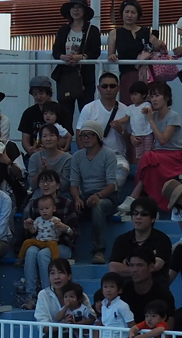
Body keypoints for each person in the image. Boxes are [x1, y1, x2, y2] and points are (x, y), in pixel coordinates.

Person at [19, 171, 79, 308]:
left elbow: (75, 233)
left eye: (49, 181)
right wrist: (28, 227)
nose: (45, 185)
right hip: (40, 242)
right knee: (31, 251)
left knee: (43, 254)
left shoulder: (67, 204)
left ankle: (49, 295)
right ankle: (31, 296)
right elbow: (30, 234)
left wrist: (65, 228)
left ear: (57, 185)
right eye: (42, 182)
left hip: (62, 246)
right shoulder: (35, 204)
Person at [69, 120, 119, 265]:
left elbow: (112, 185)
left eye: (90, 134)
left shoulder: (108, 154)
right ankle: (69, 249)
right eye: (83, 135)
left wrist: (98, 196)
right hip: (86, 195)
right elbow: (74, 183)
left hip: (107, 196)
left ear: (98, 136)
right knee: (69, 207)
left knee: (98, 207)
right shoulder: (77, 156)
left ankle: (99, 251)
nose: (86, 138)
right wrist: (77, 198)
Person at [127, 82, 182, 211]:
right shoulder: (154, 115)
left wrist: (151, 121)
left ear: (166, 98)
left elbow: (163, 140)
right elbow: (138, 128)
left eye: (157, 96)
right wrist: (132, 137)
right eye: (152, 97)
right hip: (158, 155)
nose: (154, 100)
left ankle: (134, 197)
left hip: (174, 155)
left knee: (148, 157)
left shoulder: (173, 116)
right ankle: (149, 204)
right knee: (150, 165)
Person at [77, 71, 131, 193]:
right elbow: (79, 133)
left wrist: (121, 131)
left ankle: (105, 196)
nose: (108, 89)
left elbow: (131, 139)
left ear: (118, 88)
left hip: (117, 155)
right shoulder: (89, 108)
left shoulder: (126, 110)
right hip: (92, 154)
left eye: (112, 86)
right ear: (98, 88)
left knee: (124, 169)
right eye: (104, 86)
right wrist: (84, 156)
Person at [52, 0, 102, 112]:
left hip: (85, 76)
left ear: (84, 11)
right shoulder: (63, 29)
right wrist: (63, 57)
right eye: (73, 7)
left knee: (86, 110)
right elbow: (56, 50)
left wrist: (81, 57)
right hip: (66, 75)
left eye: (79, 7)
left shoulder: (92, 30)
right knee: (65, 112)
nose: (75, 10)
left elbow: (96, 51)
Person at [107, 197, 172, 285]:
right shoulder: (122, 240)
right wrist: (143, 266)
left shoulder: (162, 239)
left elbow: (156, 266)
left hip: (156, 291)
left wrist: (127, 264)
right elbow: (113, 268)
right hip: (127, 290)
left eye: (143, 214)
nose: (138, 217)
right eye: (135, 213)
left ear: (153, 218)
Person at [107, 0, 160, 104]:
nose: (129, 15)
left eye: (133, 12)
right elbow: (110, 55)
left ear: (138, 15)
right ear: (122, 13)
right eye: (126, 12)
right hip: (127, 74)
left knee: (148, 107)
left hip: (147, 75)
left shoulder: (146, 31)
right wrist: (112, 57)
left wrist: (157, 43)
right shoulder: (114, 33)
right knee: (128, 106)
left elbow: (156, 50)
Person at [18, 75, 73, 157]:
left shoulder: (62, 111)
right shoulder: (28, 113)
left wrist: (47, 149)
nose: (38, 97)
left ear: (50, 91)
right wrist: (31, 150)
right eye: (34, 94)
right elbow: (25, 139)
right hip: (35, 154)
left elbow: (66, 137)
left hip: (58, 154)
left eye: (41, 93)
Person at [35, 258, 92, 325]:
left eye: (60, 272)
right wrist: (64, 325)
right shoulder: (43, 295)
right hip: (52, 335)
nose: (56, 277)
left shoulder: (80, 295)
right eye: (52, 273)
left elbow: (92, 319)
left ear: (69, 276)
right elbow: (43, 326)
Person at [26, 124, 72, 198]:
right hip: (40, 194)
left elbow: (64, 186)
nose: (48, 139)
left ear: (58, 138)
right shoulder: (34, 158)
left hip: (61, 195)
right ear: (40, 140)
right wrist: (41, 171)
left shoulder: (67, 158)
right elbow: (32, 185)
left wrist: (49, 171)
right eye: (44, 136)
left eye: (52, 135)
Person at [120, 80, 154, 162]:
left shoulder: (146, 105)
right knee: (138, 155)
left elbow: (149, 110)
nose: (133, 97)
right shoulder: (130, 108)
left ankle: (148, 168)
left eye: (135, 94)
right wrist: (118, 121)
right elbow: (126, 118)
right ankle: (140, 168)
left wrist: (147, 110)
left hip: (148, 133)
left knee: (148, 153)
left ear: (143, 95)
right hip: (136, 135)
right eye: (131, 95)